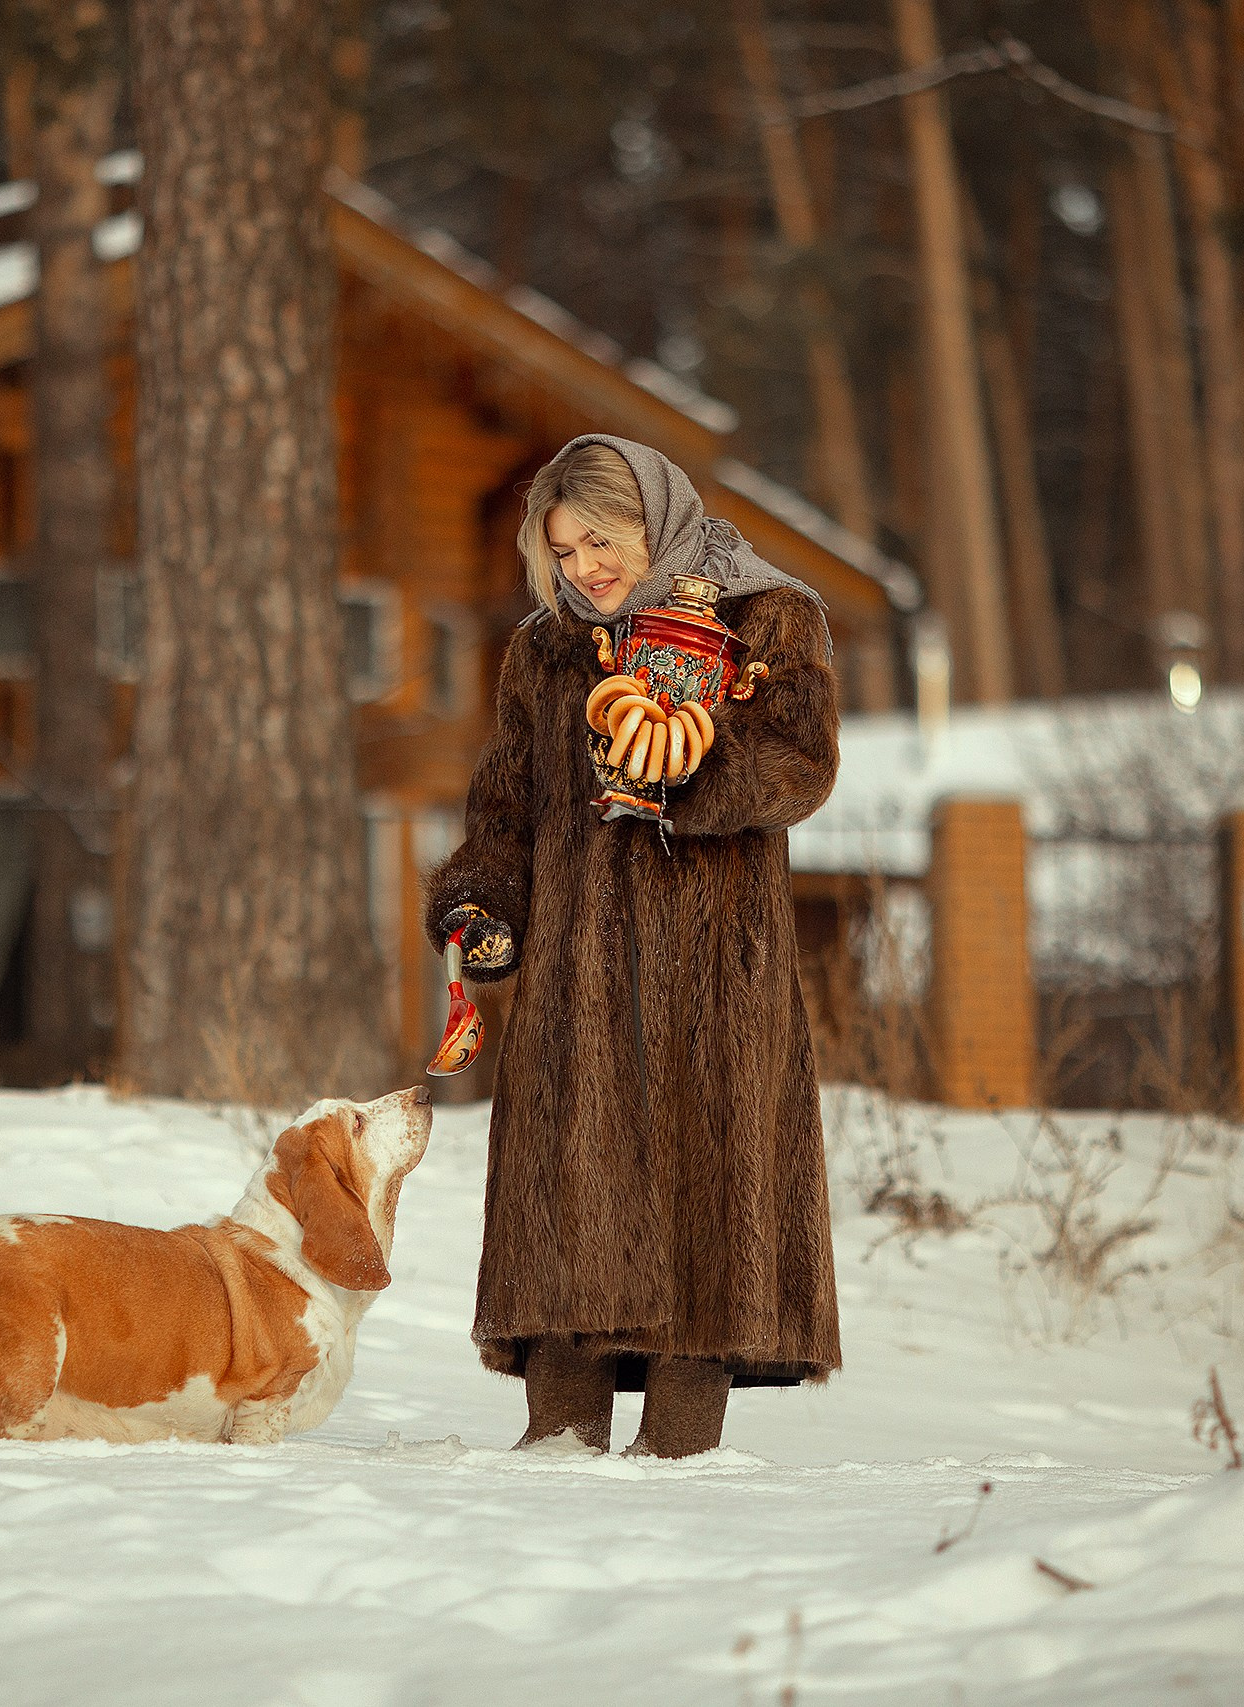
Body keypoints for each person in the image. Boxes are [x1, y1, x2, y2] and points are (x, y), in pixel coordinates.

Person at [422, 433, 843, 1458]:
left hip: (718, 978)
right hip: (578, 981)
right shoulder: (545, 649)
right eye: (562, 553)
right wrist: (483, 904)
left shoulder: (767, 618)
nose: (584, 570)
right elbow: (505, 805)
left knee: (709, 1217)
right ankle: (555, 1453)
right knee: (571, 1208)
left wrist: (686, 767)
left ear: (654, 520)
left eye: (599, 541)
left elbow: (801, 765)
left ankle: (681, 1462)